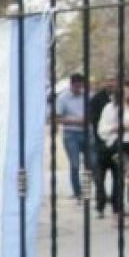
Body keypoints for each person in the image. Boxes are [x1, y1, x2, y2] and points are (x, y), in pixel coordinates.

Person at [97, 78, 129, 226]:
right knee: (119, 180)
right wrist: (119, 126)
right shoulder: (110, 108)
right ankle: (117, 215)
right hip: (118, 145)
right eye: (124, 90)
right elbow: (102, 130)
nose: (127, 93)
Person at [54, 73, 88, 201]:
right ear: (71, 85)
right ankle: (77, 191)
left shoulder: (86, 96)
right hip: (71, 133)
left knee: (91, 163)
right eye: (76, 86)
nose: (78, 89)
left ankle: (89, 190)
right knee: (75, 163)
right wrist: (76, 120)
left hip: (86, 132)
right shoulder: (62, 98)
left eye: (81, 86)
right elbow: (56, 118)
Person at [90, 76, 118, 217]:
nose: (110, 83)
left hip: (118, 145)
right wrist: (102, 139)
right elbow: (94, 121)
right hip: (99, 143)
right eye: (108, 80)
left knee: (117, 177)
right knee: (99, 177)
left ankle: (116, 207)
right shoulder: (97, 99)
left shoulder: (122, 98)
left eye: (113, 80)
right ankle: (100, 207)